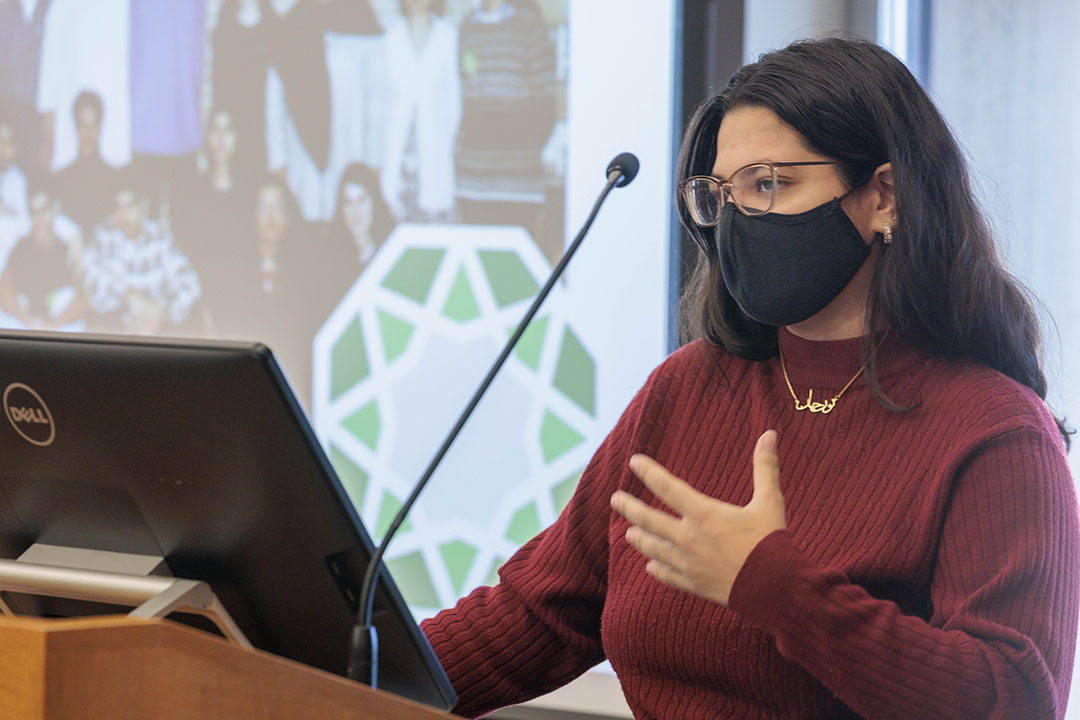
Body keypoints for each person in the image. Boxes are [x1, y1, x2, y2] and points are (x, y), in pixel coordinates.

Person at [419, 38, 1079, 719]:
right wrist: (349, 665)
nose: (737, 221)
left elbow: (1016, 700)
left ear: (884, 195)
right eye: (720, 195)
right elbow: (536, 617)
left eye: (769, 184)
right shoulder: (687, 392)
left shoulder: (996, 432)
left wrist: (777, 589)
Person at [81, 170, 200, 336]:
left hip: (160, 329)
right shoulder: (102, 236)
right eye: (119, 207)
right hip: (116, 330)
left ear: (143, 205)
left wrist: (162, 315)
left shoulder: (160, 236)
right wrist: (130, 298)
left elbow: (189, 281)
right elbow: (89, 279)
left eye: (130, 205)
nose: (124, 214)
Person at [380, 0, 460, 222]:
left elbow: (454, 104)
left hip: (436, 155)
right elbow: (384, 103)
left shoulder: (447, 36)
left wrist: (444, 145)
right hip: (398, 156)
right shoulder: (391, 37)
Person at [0, 183, 86, 330]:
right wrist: (26, 319)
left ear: (54, 209)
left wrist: (52, 326)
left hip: (59, 330)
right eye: (33, 212)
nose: (39, 218)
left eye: (44, 210)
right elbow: (3, 288)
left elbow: (84, 297)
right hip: (26, 327)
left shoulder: (67, 249)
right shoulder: (21, 247)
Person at [51, 91, 121, 236]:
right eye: (83, 125)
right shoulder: (60, 178)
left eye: (93, 125)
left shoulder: (116, 178)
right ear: (75, 127)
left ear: (101, 127)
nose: (88, 133)